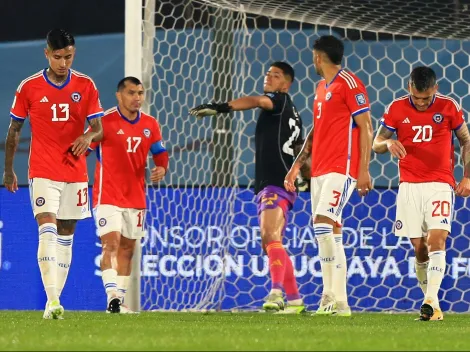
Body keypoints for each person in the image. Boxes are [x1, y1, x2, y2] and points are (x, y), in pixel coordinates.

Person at [2, 29, 104, 319]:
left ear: (74, 53)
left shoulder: (85, 85)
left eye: (68, 57)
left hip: (75, 173)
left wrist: (87, 137)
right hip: (43, 170)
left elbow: (99, 127)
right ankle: (54, 300)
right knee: (46, 227)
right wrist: (9, 169)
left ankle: (52, 304)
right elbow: (15, 129)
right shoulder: (29, 87)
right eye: (58, 57)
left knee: (66, 234)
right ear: (46, 53)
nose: (63, 63)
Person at [189, 62, 305, 314]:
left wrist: (221, 108)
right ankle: (295, 301)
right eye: (268, 74)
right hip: (279, 181)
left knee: (269, 237)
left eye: (276, 76)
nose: (269, 78)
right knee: (272, 242)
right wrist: (303, 176)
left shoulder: (279, 100)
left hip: (275, 180)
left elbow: (257, 101)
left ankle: (275, 294)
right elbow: (300, 150)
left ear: (286, 84)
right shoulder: (294, 113)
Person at [284, 35, 373, 317]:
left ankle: (328, 297)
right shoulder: (321, 87)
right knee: (332, 233)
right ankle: (342, 304)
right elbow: (315, 130)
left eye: (313, 56)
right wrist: (298, 165)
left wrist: (364, 171)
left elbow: (367, 127)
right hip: (320, 170)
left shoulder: (351, 83)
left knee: (322, 226)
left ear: (318, 57)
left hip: (342, 168)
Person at [372, 66, 470, 321]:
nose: (422, 103)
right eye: (417, 98)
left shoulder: (449, 106)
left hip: (440, 184)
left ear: (435, 89)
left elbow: (466, 140)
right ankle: (434, 309)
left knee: (437, 240)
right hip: (408, 186)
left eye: (426, 98)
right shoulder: (396, 108)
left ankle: (429, 300)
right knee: (420, 248)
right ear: (409, 88)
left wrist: (467, 176)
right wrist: (389, 142)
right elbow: (376, 144)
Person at [88, 77, 168, 313]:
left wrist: (162, 167)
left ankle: (118, 303)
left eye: (140, 93)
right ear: (119, 95)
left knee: (128, 250)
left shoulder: (150, 124)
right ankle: (111, 295)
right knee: (110, 244)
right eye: (132, 93)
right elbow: (83, 148)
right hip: (107, 195)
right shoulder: (104, 122)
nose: (137, 98)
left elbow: (160, 152)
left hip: (136, 197)